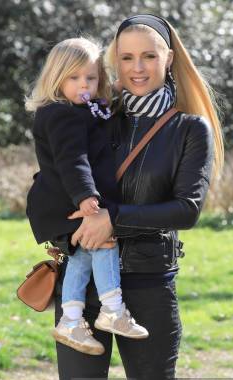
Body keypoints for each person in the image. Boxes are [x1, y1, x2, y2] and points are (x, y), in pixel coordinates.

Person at [45, 14, 224, 380]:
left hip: (147, 282)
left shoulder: (188, 129)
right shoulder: (93, 118)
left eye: (149, 56)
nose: (137, 68)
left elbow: (187, 208)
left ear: (169, 58)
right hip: (85, 291)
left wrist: (110, 219)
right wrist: (59, 228)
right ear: (112, 63)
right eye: (126, 59)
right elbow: (52, 183)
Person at [25, 37, 148, 358]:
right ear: (56, 78)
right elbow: (72, 159)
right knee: (104, 241)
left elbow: (106, 118)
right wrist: (85, 197)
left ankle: (70, 320)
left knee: (82, 254)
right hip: (65, 201)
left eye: (91, 78)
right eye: (74, 78)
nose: (84, 85)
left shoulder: (85, 109)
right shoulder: (61, 115)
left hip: (67, 200)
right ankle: (112, 308)